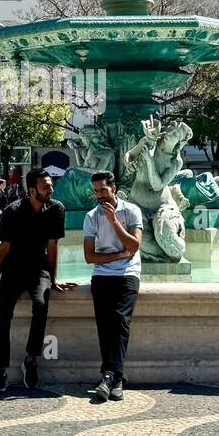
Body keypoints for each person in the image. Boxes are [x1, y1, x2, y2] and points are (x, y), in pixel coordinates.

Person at [0, 168, 69, 393]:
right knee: (4, 314)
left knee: (41, 304)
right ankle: (0, 370)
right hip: (13, 269)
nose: (51, 189)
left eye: (51, 184)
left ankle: (31, 359)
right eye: (46, 186)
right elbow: (4, 247)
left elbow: (53, 246)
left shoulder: (56, 208)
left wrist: (54, 278)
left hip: (39, 270)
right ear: (32, 191)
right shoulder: (12, 211)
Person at [83, 171, 143, 401]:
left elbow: (135, 245)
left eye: (103, 190)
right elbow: (89, 257)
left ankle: (108, 376)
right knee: (104, 325)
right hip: (101, 275)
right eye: (96, 191)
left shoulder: (131, 210)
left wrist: (114, 222)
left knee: (119, 320)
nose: (99, 195)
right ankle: (115, 378)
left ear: (114, 188)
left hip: (128, 274)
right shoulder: (90, 216)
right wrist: (119, 254)